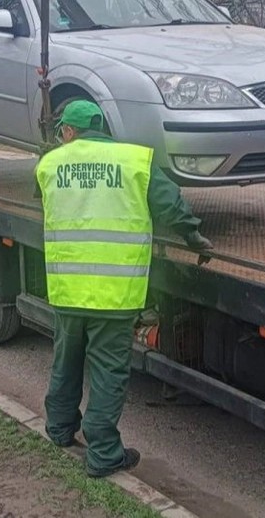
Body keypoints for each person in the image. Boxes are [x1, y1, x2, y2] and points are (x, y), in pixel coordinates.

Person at [36, 99, 213, 477]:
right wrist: (194, 236)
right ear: (102, 126)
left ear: (69, 131)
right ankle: (102, 454)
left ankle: (60, 428)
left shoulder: (50, 164)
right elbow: (170, 205)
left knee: (65, 363)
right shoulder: (135, 160)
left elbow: (49, 201)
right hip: (114, 293)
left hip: (68, 288)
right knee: (107, 373)